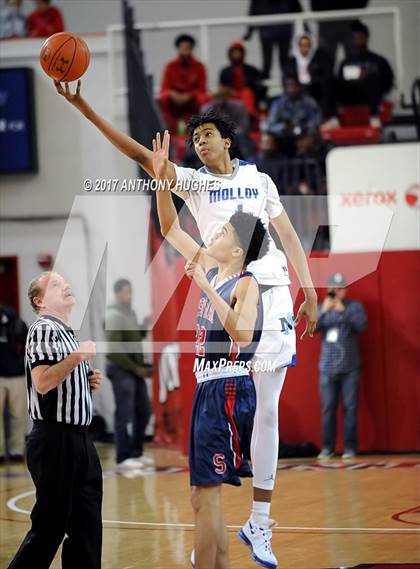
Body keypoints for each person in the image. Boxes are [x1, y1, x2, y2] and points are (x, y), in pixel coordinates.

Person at [54, 81, 317, 569]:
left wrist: (311, 289)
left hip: (274, 290)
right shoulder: (194, 183)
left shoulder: (260, 180)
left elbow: (290, 235)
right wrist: (83, 106)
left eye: (209, 134)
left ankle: (260, 519)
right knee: (227, 397)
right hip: (229, 293)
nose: (200, 142)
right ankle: (213, 525)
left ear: (228, 140)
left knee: (269, 412)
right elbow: (140, 157)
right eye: (195, 138)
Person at [154, 129, 269, 569]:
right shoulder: (210, 264)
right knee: (201, 499)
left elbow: (242, 335)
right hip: (210, 391)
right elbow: (168, 227)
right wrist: (163, 180)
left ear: (236, 249)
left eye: (220, 232)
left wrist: (205, 287)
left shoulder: (245, 282)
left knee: (206, 497)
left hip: (227, 389)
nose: (212, 232)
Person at [7, 271, 103, 569]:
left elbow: (58, 384)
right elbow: (43, 382)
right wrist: (76, 358)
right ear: (40, 300)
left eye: (65, 282)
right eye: (56, 284)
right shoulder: (43, 328)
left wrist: (84, 383)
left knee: (87, 526)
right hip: (54, 440)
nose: (66, 285)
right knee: (50, 527)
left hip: (79, 439)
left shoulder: (65, 331)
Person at [315, 272, 367, 460]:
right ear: (328, 290)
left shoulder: (354, 307)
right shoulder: (322, 307)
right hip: (327, 368)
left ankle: (350, 448)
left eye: (340, 289)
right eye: (333, 289)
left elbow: (361, 325)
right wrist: (323, 312)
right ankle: (328, 448)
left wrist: (341, 311)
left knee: (350, 408)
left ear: (345, 290)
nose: (336, 292)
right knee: (328, 408)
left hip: (349, 367)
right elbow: (312, 329)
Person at [105, 278, 153, 472]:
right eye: (126, 292)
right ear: (117, 294)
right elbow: (115, 349)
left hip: (133, 369)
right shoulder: (114, 315)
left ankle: (136, 452)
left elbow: (133, 338)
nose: (130, 296)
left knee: (144, 411)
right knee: (124, 413)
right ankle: (122, 457)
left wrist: (144, 326)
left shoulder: (130, 313)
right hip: (120, 368)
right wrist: (136, 369)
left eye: (131, 292)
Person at [335, 21, 394, 126]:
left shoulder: (378, 60)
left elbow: (388, 82)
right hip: (352, 95)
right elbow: (340, 82)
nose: (358, 40)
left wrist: (368, 79)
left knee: (371, 79)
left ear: (366, 38)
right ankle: (333, 118)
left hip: (371, 97)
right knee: (331, 82)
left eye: (360, 37)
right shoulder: (346, 62)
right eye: (355, 37)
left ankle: (374, 116)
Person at [159, 34, 208, 134]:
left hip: (192, 100)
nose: (185, 51)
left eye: (188, 48)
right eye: (183, 48)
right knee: (162, 98)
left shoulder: (199, 66)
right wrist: (173, 94)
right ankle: (164, 128)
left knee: (204, 100)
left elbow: (202, 88)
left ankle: (203, 126)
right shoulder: (170, 66)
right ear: (178, 49)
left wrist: (189, 95)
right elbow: (165, 87)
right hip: (174, 100)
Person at [266, 72, 322, 157]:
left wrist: (304, 129)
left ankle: (304, 169)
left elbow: (315, 122)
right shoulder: (278, 103)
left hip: (303, 135)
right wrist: (283, 127)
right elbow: (270, 125)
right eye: (289, 85)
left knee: (307, 142)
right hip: (282, 138)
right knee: (267, 144)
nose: (292, 89)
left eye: (294, 85)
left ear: (299, 86)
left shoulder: (309, 102)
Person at [243, 0, 303, 79]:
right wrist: (249, 31)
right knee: (267, 61)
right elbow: (253, 12)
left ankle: (287, 82)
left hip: (284, 31)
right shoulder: (258, 2)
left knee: (284, 60)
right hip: (267, 32)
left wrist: (305, 27)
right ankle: (264, 86)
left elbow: (297, 9)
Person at [0, 304, 28, 463]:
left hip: (16, 375)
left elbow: (28, 346)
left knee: (18, 415)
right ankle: (1, 452)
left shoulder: (18, 324)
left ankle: (17, 450)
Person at [286, 34, 335, 119]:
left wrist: (311, 80)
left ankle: (322, 117)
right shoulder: (292, 61)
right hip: (297, 89)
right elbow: (287, 77)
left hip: (314, 89)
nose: (304, 48)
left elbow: (326, 76)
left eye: (307, 45)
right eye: (302, 45)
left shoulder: (319, 58)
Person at [310, 0, 370, 68]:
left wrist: (355, 11)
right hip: (326, 18)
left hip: (350, 17)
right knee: (325, 57)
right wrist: (319, 14)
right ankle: (327, 78)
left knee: (354, 55)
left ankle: (355, 77)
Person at [219, 41, 266, 115]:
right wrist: (230, 91)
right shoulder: (225, 71)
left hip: (246, 94)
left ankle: (249, 115)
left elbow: (257, 86)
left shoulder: (251, 70)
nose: (236, 54)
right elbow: (222, 86)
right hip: (231, 94)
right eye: (234, 52)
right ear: (230, 54)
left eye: (238, 52)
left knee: (247, 93)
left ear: (243, 54)